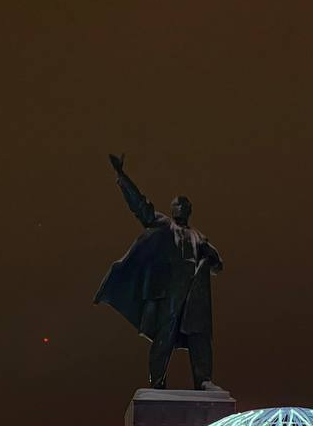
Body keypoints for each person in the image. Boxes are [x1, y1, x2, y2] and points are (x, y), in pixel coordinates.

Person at [95, 154, 225, 390]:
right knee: (165, 333)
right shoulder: (163, 224)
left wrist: (209, 261)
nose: (180, 208)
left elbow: (218, 263)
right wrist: (122, 177)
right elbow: (140, 206)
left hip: (194, 292)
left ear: (189, 210)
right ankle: (157, 381)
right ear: (172, 208)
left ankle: (204, 380)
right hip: (170, 287)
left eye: (184, 206)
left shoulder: (199, 237)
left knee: (200, 336)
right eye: (177, 205)